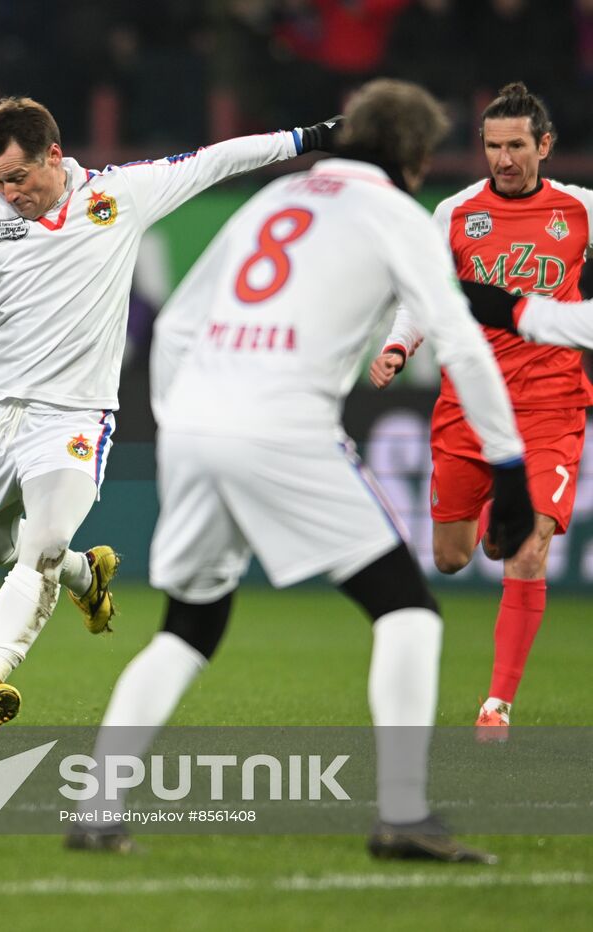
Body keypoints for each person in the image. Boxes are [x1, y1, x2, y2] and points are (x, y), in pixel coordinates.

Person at [70, 78, 532, 862]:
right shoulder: (395, 213)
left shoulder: (273, 201)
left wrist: (185, 424)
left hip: (194, 424)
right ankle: (405, 815)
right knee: (407, 610)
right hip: (281, 425)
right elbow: (455, 339)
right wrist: (512, 467)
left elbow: (178, 323)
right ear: (416, 157)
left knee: (190, 625)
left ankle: (96, 806)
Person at [0, 95, 342, 732]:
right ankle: (85, 573)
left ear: (54, 154)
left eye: (18, 177)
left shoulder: (121, 196)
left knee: (41, 542)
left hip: (75, 416)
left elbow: (215, 161)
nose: (9, 192)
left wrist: (311, 136)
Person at [368, 82, 592, 740]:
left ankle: (497, 704)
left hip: (552, 403)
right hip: (469, 401)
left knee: (529, 551)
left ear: (544, 146)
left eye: (517, 146)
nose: (504, 159)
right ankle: (499, 509)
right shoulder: (455, 214)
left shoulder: (579, 212)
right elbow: (422, 295)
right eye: (493, 147)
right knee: (451, 556)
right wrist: (397, 345)